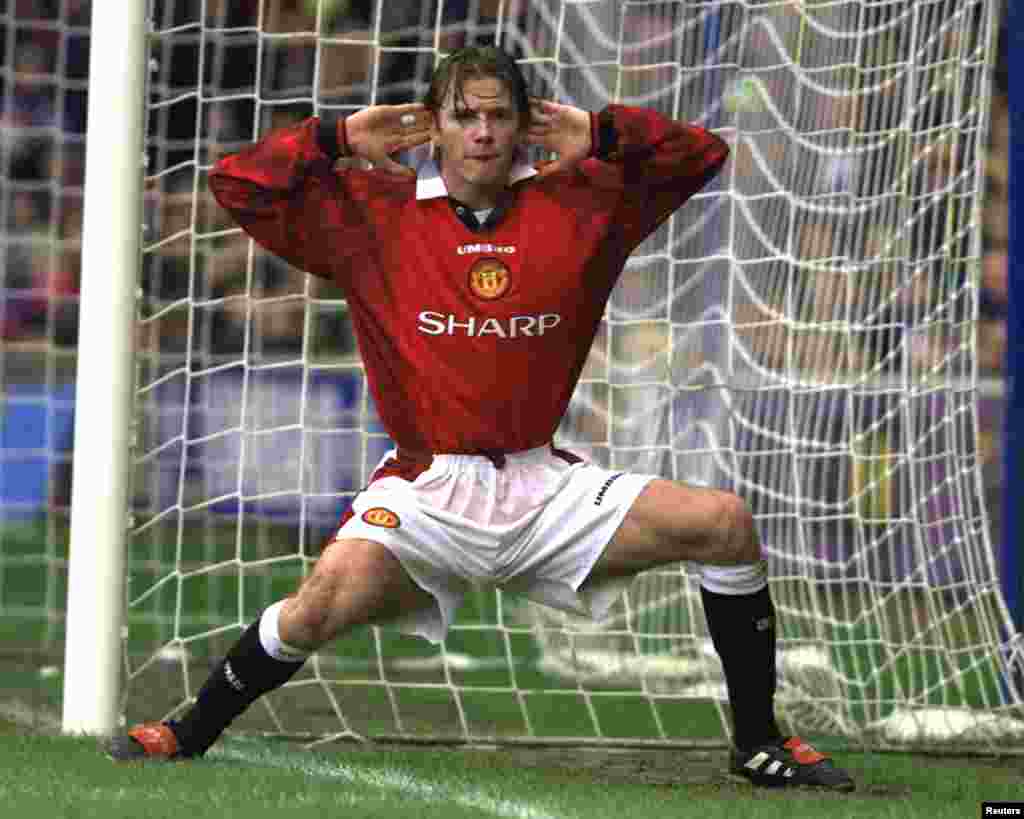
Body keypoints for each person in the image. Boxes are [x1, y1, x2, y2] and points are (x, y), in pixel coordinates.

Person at [107, 45, 853, 792]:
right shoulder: (371, 211)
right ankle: (187, 731)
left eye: (501, 114)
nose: (485, 132)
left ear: (527, 124)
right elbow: (236, 183)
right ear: (434, 126)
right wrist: (334, 140)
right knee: (316, 606)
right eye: (466, 116)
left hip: (543, 485)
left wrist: (602, 133)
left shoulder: (585, 200)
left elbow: (701, 155)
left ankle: (757, 740)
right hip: (427, 490)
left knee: (723, 523)